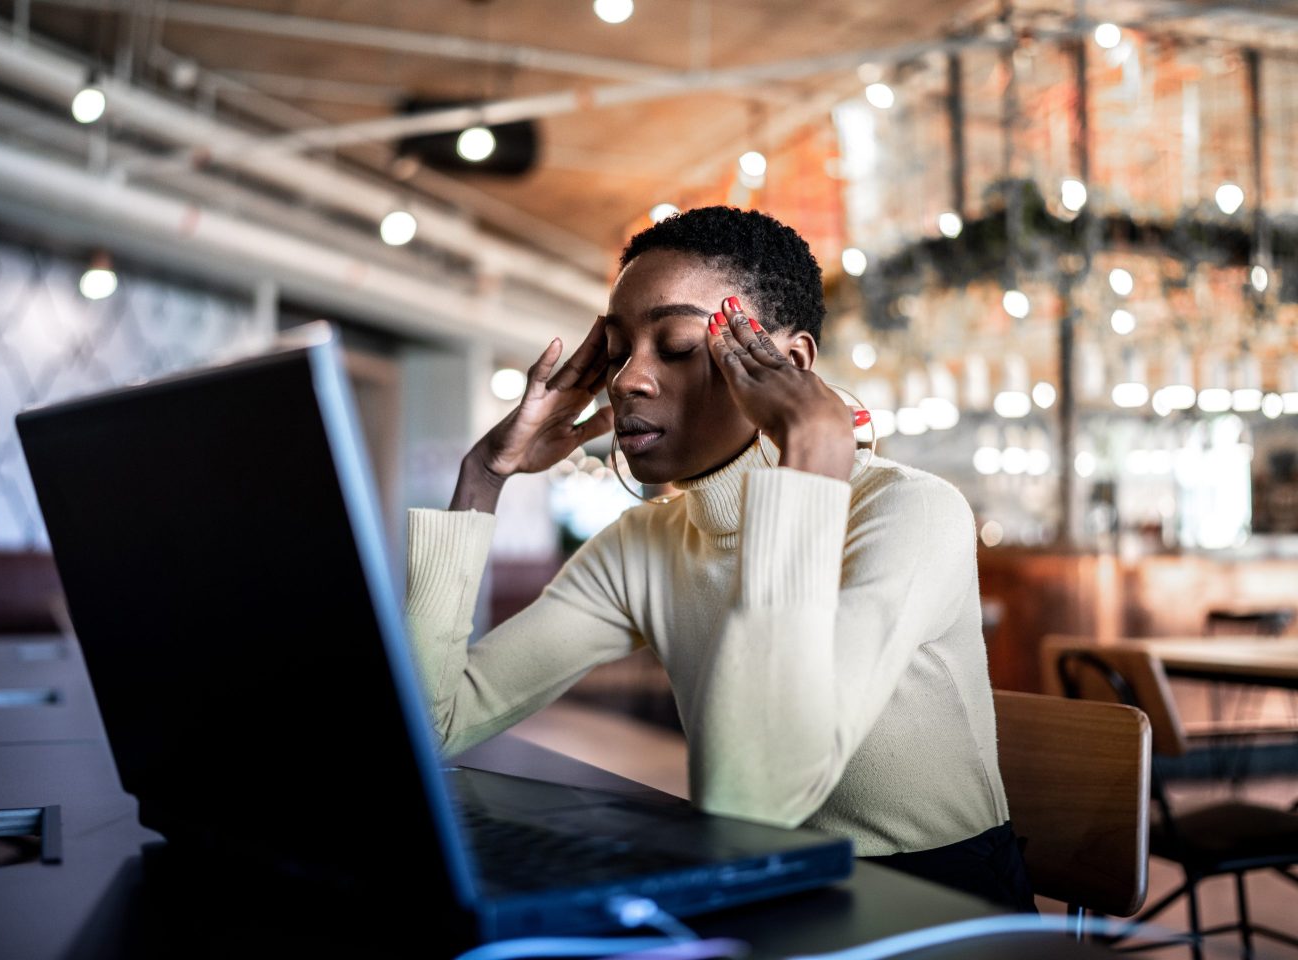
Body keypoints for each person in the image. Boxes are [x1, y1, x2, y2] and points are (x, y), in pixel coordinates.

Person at [404, 206, 1034, 911]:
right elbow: (430, 725)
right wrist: (484, 475)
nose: (627, 380)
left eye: (674, 345)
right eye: (616, 351)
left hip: (939, 901)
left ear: (789, 366)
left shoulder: (909, 513)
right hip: (752, 877)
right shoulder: (645, 544)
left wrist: (810, 462)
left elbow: (755, 798)